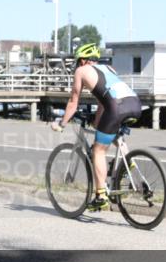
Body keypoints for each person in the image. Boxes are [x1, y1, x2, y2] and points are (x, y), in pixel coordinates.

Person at [51, 42, 142, 211]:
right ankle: (129, 163)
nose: (77, 65)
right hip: (135, 104)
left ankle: (100, 196)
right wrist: (96, 122)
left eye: (78, 61)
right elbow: (103, 103)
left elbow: (73, 102)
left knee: (98, 150)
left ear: (84, 61)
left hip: (117, 108)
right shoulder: (109, 69)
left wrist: (61, 123)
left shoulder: (81, 71)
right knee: (113, 133)